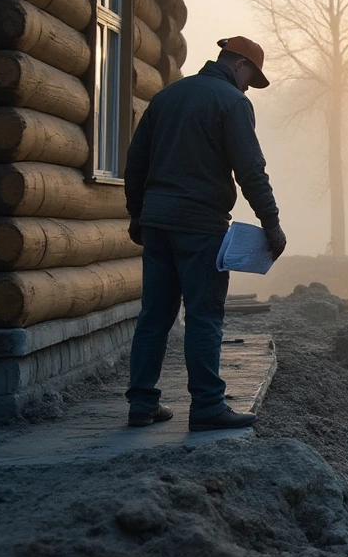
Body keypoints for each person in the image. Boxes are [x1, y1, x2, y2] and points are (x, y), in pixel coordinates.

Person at [123, 36, 287, 431]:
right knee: (204, 316)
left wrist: (137, 216)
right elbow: (250, 170)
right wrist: (272, 223)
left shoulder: (166, 97)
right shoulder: (232, 102)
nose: (249, 88)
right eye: (251, 78)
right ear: (239, 65)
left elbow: (135, 163)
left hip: (158, 223)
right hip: (200, 227)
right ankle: (208, 407)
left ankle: (142, 405)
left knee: (154, 317)